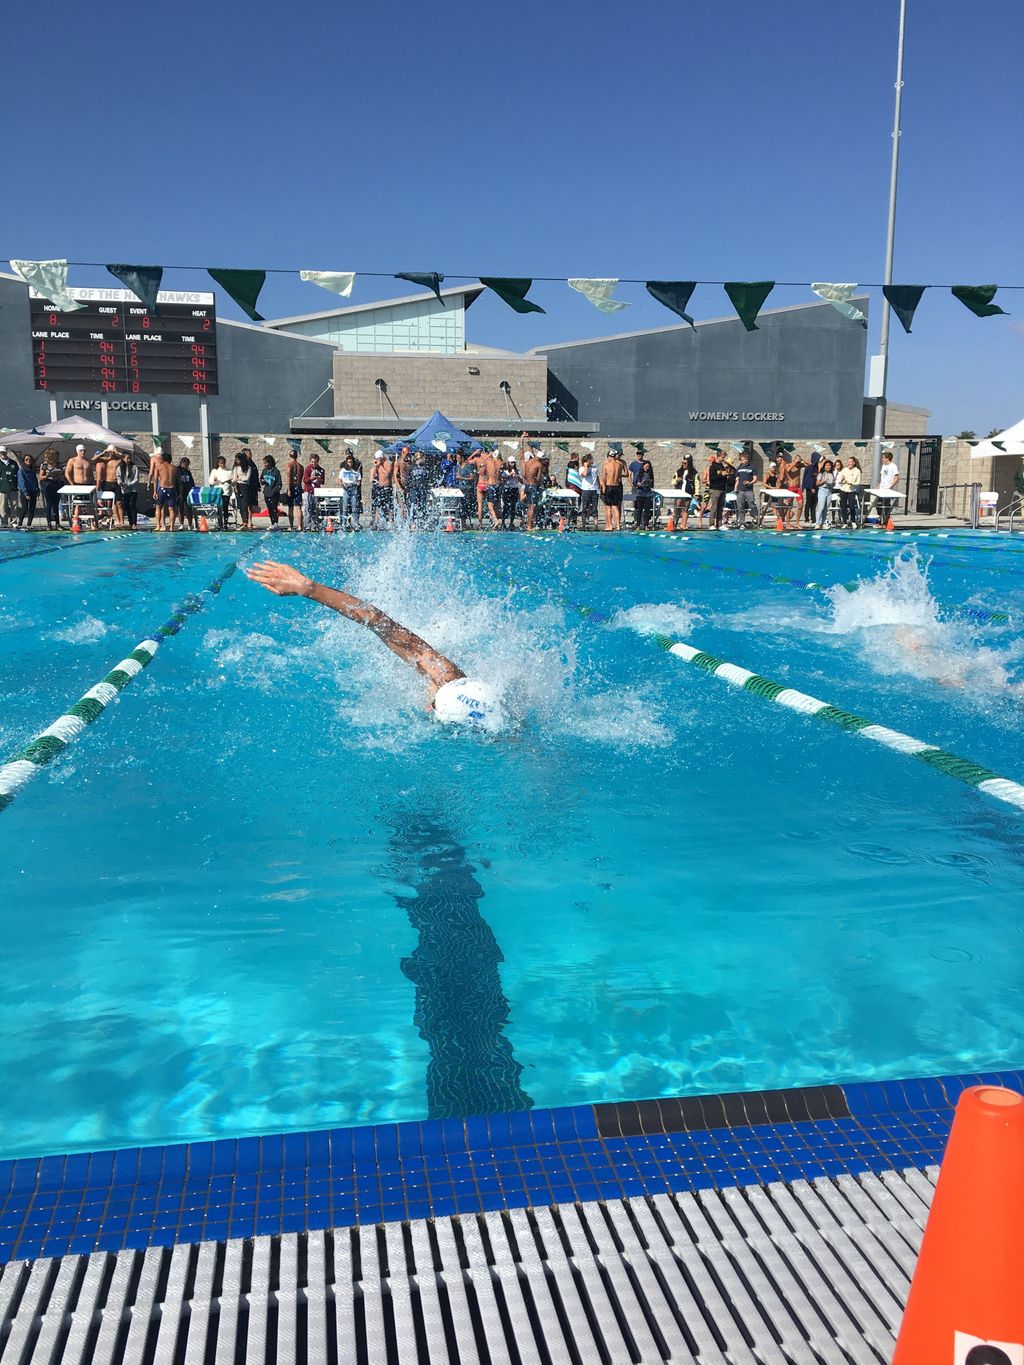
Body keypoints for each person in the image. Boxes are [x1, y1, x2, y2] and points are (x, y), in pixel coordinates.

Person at [245, 560, 507, 731]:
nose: (429, 707)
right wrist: (309, 588)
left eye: (435, 707)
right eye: (435, 701)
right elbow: (379, 621)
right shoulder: (446, 676)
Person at [148, 447, 178, 532]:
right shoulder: (174, 468)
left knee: (158, 507)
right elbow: (177, 481)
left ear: (163, 459)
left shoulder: (159, 467)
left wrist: (154, 492)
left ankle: (158, 526)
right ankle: (171, 527)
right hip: (172, 489)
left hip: (162, 488)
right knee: (171, 509)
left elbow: (155, 480)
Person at [598, 449, 627, 531]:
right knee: (615, 507)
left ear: (610, 456)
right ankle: (618, 525)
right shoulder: (620, 464)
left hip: (609, 486)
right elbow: (627, 473)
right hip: (617, 486)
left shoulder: (606, 465)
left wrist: (603, 487)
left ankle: (609, 526)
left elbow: (603, 477)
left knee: (608, 507)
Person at [704, 451, 733, 531]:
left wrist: (727, 475)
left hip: (722, 489)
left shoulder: (722, 466)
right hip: (715, 489)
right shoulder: (713, 466)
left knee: (720, 508)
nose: (724, 459)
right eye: (723, 457)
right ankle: (711, 524)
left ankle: (719, 524)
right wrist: (721, 475)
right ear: (718, 457)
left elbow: (724, 475)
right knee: (714, 507)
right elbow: (712, 478)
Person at [38, 447, 63, 529]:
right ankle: (49, 523)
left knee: (56, 504)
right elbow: (40, 477)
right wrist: (47, 476)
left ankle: (57, 523)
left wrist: (60, 474)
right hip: (48, 484)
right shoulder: (44, 465)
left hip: (57, 484)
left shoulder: (58, 464)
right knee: (49, 504)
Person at [478, 446, 503, 529]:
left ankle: (495, 520)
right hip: (498, 485)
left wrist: (488, 456)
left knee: (489, 504)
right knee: (497, 504)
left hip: (491, 485)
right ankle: (496, 521)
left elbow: (482, 463)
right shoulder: (501, 462)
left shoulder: (489, 461)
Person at [521, 440, 543, 531]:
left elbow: (522, 454)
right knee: (532, 507)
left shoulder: (526, 462)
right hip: (533, 486)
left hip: (526, 485)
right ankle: (530, 526)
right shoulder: (539, 464)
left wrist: (522, 441)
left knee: (529, 506)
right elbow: (538, 478)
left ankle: (528, 525)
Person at [208, 454, 234, 529]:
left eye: (224, 463)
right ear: (218, 463)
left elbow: (232, 481)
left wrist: (230, 482)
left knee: (225, 507)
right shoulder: (215, 471)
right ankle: (219, 522)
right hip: (218, 491)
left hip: (226, 491)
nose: (223, 464)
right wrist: (216, 481)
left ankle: (225, 522)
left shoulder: (229, 471)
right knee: (219, 507)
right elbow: (211, 481)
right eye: (221, 463)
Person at [733, 449, 757, 529]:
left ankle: (755, 517)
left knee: (752, 504)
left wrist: (750, 483)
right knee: (740, 507)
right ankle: (742, 522)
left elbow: (755, 478)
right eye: (743, 459)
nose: (744, 461)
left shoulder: (752, 467)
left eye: (745, 459)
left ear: (748, 459)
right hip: (740, 490)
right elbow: (737, 479)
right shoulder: (739, 468)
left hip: (749, 490)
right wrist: (735, 488)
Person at [371, 451, 396, 528]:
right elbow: (371, 477)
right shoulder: (377, 465)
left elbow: (387, 473)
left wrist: (380, 465)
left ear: (381, 458)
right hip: (379, 488)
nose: (376, 460)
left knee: (389, 506)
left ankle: (390, 522)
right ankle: (376, 523)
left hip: (387, 487)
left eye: (378, 459)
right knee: (377, 506)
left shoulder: (388, 463)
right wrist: (376, 466)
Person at [406, 452, 431, 525]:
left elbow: (427, 478)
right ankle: (413, 521)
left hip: (422, 488)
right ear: (419, 458)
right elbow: (408, 479)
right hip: (413, 488)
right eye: (423, 458)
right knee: (413, 504)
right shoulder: (411, 467)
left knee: (423, 504)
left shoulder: (425, 467)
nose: (424, 460)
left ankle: (422, 521)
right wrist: (408, 488)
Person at [837, 456, 863, 527]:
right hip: (843, 489)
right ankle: (845, 522)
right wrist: (841, 479)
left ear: (854, 463)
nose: (849, 463)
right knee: (843, 506)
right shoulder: (844, 470)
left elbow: (858, 482)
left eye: (850, 462)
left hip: (851, 490)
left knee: (852, 506)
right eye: (848, 462)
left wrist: (852, 483)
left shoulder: (857, 471)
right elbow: (839, 480)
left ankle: (853, 521)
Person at [301, 451, 325, 530]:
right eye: (312, 462)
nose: (313, 464)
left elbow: (323, 481)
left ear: (318, 461)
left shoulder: (321, 470)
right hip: (308, 490)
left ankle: (315, 525)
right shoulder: (308, 469)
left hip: (316, 492)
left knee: (315, 509)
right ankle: (307, 525)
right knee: (307, 508)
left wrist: (319, 480)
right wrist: (310, 478)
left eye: (315, 462)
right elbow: (305, 480)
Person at [876, 450, 900, 527]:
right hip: (881, 489)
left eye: (883, 458)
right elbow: (882, 477)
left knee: (886, 505)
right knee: (878, 505)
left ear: (887, 458)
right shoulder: (883, 466)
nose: (882, 459)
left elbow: (896, 478)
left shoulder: (893, 466)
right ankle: (880, 521)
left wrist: (890, 487)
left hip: (887, 489)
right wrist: (878, 486)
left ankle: (886, 522)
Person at [576, 454, 600, 530]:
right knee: (585, 507)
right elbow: (584, 474)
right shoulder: (581, 468)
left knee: (594, 507)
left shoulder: (594, 468)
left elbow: (597, 477)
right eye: (591, 460)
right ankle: (584, 524)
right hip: (586, 489)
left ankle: (596, 525)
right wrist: (586, 466)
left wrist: (600, 485)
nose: (592, 461)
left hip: (594, 489)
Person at [282, 448, 304, 531]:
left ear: (289, 455)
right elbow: (300, 478)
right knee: (299, 507)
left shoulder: (289, 465)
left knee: (290, 507)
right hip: (298, 486)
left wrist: (288, 489)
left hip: (291, 487)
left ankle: (291, 526)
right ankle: (299, 526)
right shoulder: (301, 466)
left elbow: (288, 477)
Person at [454, 450, 478, 526]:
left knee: (468, 506)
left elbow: (472, 477)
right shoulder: (458, 466)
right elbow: (458, 475)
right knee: (461, 506)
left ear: (462, 458)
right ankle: (463, 523)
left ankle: (470, 522)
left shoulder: (468, 466)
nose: (457, 459)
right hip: (460, 488)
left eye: (458, 458)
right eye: (456, 457)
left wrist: (462, 478)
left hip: (467, 488)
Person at [631, 456, 655, 529]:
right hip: (640, 492)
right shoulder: (639, 473)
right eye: (646, 466)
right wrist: (638, 484)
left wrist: (649, 483)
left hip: (648, 493)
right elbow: (634, 482)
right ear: (643, 466)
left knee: (647, 510)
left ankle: (646, 525)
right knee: (639, 509)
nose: (647, 468)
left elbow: (652, 485)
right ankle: (638, 524)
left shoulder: (650, 474)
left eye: (648, 467)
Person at [499, 456, 522, 530]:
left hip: (514, 489)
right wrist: (509, 475)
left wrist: (518, 477)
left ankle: (511, 523)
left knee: (513, 507)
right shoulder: (504, 471)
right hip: (507, 489)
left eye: (514, 462)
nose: (513, 464)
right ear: (508, 463)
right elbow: (502, 480)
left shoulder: (517, 470)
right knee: (506, 506)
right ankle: (503, 522)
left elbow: (522, 481)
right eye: (511, 462)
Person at [116, 453, 139, 528]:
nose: (129, 460)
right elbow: (118, 477)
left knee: (132, 505)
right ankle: (130, 522)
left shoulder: (134, 467)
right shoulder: (120, 468)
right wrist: (121, 483)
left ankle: (134, 523)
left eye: (129, 458)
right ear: (123, 458)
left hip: (133, 489)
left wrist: (128, 484)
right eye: (127, 458)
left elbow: (136, 479)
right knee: (127, 506)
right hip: (125, 490)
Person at [16, 455, 39, 529]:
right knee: (25, 508)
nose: (28, 461)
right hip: (25, 492)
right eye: (26, 459)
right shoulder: (21, 470)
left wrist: (37, 489)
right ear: (24, 461)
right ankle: (19, 522)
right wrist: (26, 493)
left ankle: (29, 524)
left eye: (30, 459)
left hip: (33, 491)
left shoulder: (32, 470)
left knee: (32, 508)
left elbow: (35, 481)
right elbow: (21, 482)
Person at [339, 452, 361, 529]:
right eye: (348, 462)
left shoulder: (356, 471)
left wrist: (357, 484)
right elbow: (340, 480)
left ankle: (356, 524)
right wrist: (342, 484)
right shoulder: (343, 470)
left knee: (354, 507)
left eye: (351, 462)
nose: (349, 464)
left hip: (353, 489)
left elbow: (359, 480)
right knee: (345, 508)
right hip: (346, 489)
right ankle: (344, 524)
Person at [0, 446, 21, 528]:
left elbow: (17, 474)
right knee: (2, 506)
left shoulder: (13, 463)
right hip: (2, 488)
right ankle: (4, 522)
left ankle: (13, 521)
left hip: (13, 488)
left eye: (4, 452)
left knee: (14, 506)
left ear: (6, 453)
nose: (3, 454)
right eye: (1, 452)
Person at [261, 455, 283, 528]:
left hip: (274, 494)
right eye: (264, 463)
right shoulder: (264, 471)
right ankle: (272, 523)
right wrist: (262, 481)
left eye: (265, 463)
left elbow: (279, 484)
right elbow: (261, 479)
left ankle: (276, 523)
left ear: (270, 463)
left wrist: (274, 491)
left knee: (274, 508)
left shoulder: (276, 471)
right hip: (266, 493)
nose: (264, 464)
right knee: (269, 509)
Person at [815, 459, 836, 528]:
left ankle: (824, 523)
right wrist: (823, 481)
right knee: (821, 507)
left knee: (826, 508)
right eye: (827, 465)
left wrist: (833, 484)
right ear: (824, 466)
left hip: (829, 491)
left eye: (829, 465)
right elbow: (817, 484)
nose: (828, 467)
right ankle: (817, 523)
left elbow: (832, 484)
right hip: (822, 490)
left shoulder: (831, 474)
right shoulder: (821, 474)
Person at [801, 450, 820, 525]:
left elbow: (817, 478)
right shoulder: (809, 468)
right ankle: (806, 519)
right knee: (808, 503)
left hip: (816, 488)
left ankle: (813, 519)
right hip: (810, 488)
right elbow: (807, 478)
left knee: (814, 503)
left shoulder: (817, 467)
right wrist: (810, 487)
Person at [178, 457, 197, 530]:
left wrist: (193, 489)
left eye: (188, 465)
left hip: (188, 492)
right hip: (180, 492)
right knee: (181, 509)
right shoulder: (178, 471)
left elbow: (192, 482)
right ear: (182, 463)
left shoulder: (188, 472)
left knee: (189, 509)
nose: (187, 466)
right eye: (186, 464)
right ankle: (181, 524)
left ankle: (190, 524)